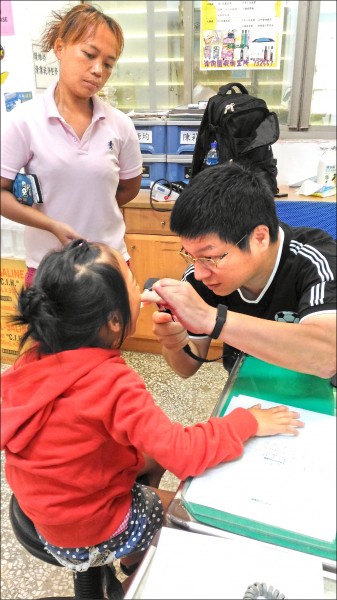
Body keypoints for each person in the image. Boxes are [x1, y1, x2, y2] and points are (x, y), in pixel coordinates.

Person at [0, 239, 304, 589]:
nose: (139, 284)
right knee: (189, 519)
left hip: (47, 512)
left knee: (150, 457)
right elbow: (185, 454)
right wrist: (248, 421)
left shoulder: (33, 357)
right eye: (131, 280)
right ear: (115, 321)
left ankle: (131, 553)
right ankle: (138, 581)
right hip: (89, 530)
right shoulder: (110, 383)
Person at [146, 162, 336, 380]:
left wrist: (211, 318)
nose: (199, 273)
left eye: (211, 256)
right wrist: (175, 344)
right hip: (246, 392)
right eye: (189, 255)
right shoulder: (200, 274)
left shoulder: (318, 259)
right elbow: (187, 367)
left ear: (260, 238)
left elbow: (328, 356)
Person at [0, 3, 142, 287]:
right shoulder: (25, 121)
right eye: (89, 55)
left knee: (113, 332)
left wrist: (94, 206)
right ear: (60, 47)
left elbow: (129, 188)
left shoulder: (120, 125)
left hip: (108, 266)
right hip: (49, 268)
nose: (98, 70)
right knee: (49, 333)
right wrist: (51, 224)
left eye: (108, 63)